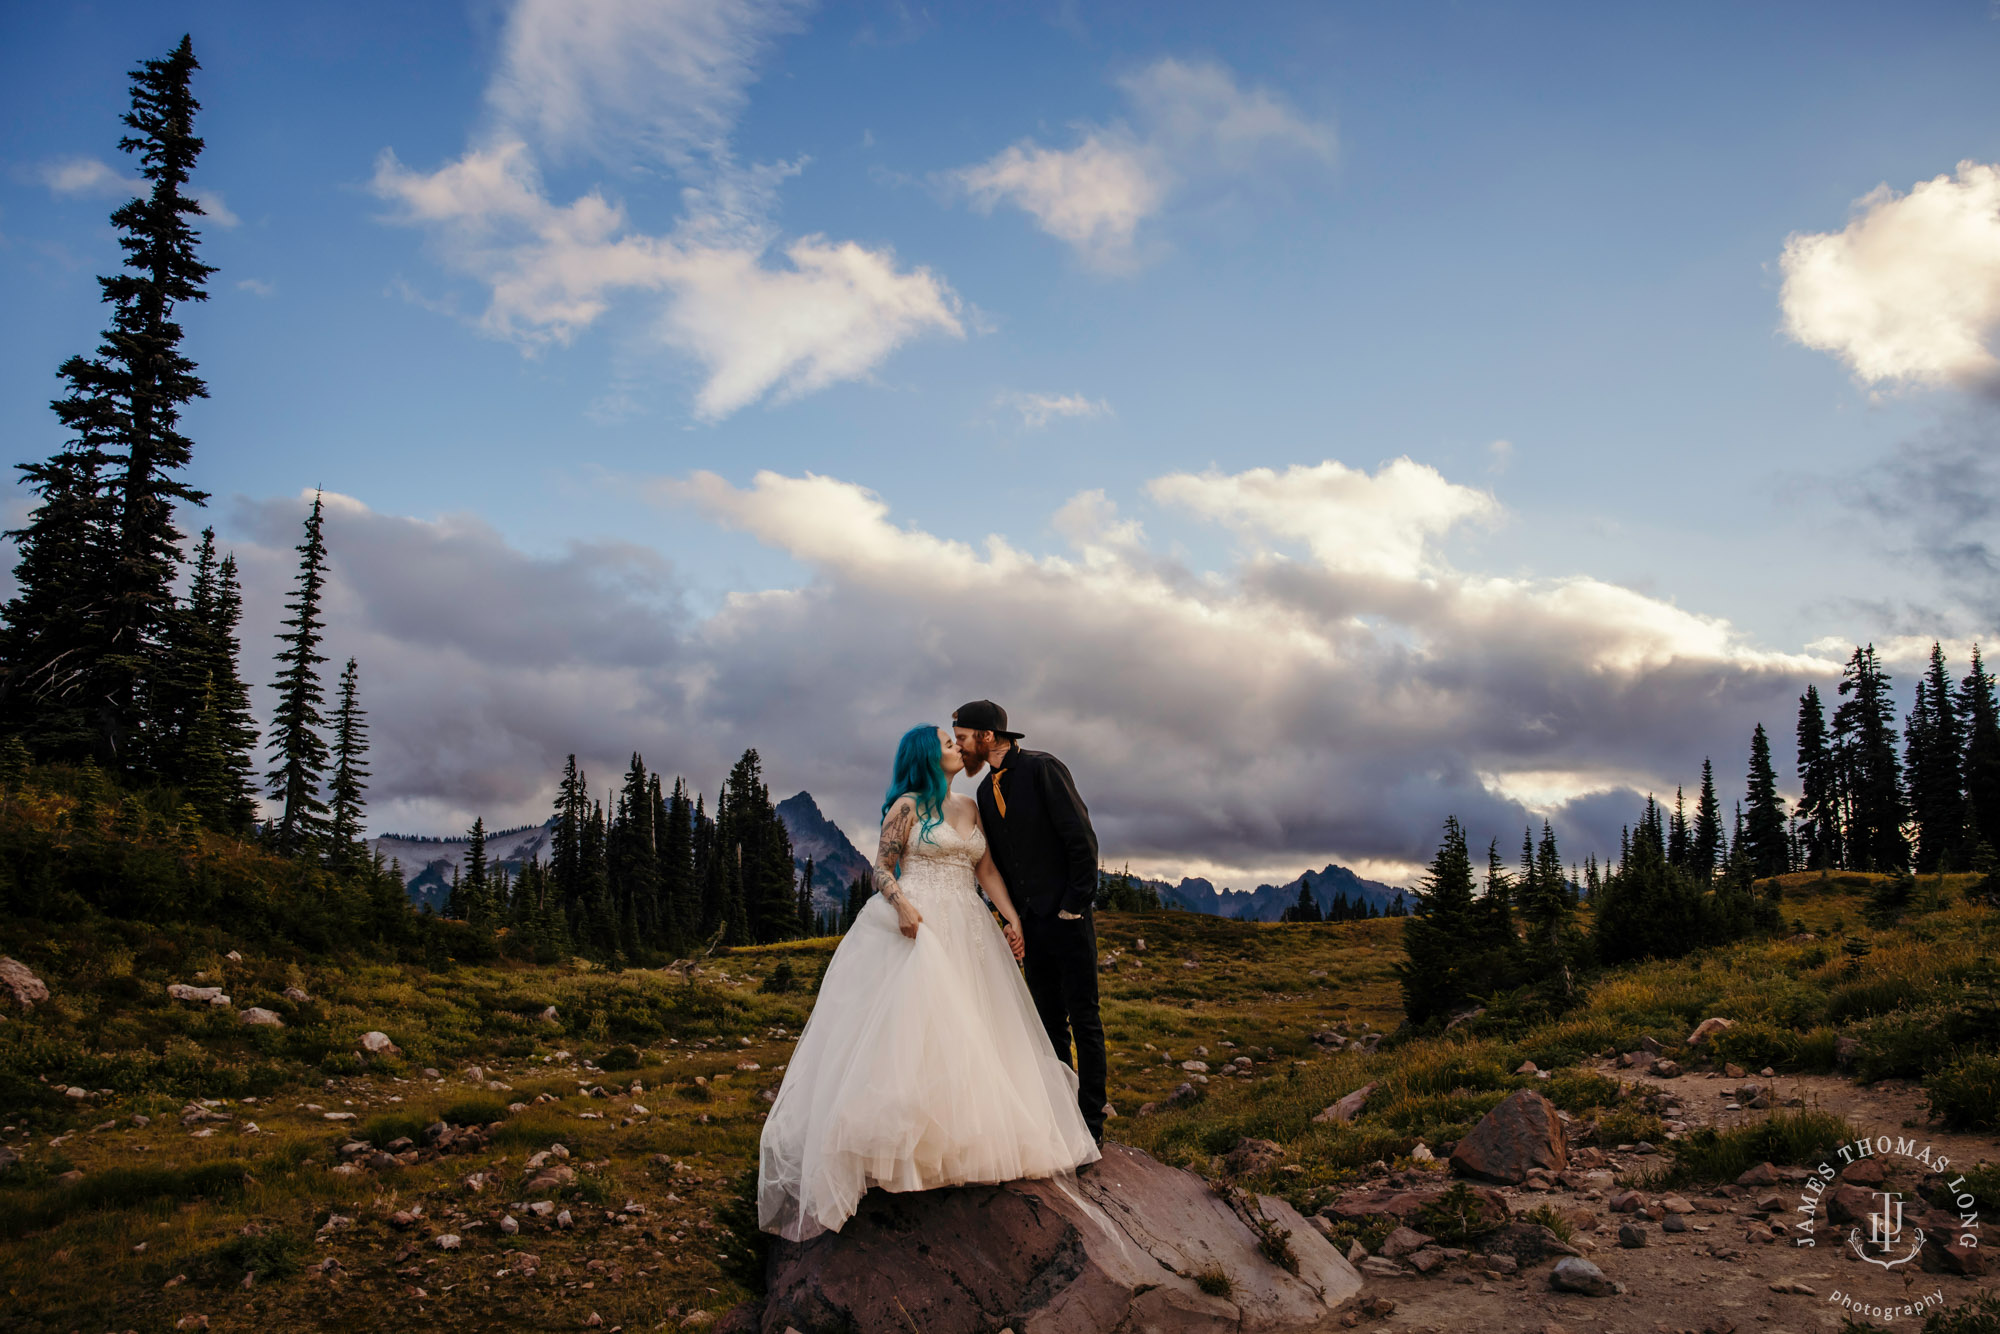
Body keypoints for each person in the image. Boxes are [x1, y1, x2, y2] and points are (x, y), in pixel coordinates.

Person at [756, 724, 1100, 1242]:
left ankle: (970, 1144)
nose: (957, 748)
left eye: (957, 740)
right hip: (917, 923)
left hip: (969, 926)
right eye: (947, 743)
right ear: (925, 756)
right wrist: (902, 907)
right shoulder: (907, 806)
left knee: (977, 1029)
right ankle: (902, 1154)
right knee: (916, 1033)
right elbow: (882, 868)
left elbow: (985, 870)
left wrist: (1013, 920)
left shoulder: (970, 804)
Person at [951, 700, 1108, 1146]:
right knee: (1047, 1024)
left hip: (1068, 920)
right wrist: (1012, 920)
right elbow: (998, 864)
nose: (959, 748)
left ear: (986, 736)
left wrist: (1072, 907)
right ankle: (1063, 1122)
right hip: (1031, 928)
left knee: (1085, 1021)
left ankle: (1092, 1128)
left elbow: (1081, 840)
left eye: (963, 738)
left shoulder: (1044, 769)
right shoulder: (983, 793)